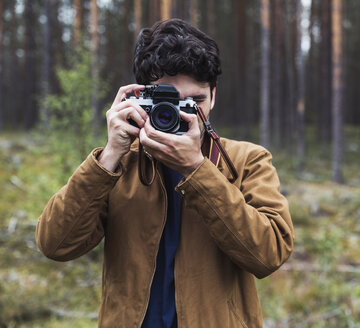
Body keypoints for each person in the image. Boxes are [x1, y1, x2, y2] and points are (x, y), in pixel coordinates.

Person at [36, 18, 294, 328]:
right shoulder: (120, 165)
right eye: (168, 101)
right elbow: (56, 244)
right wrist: (110, 154)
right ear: (139, 96)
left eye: (195, 101)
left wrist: (197, 170)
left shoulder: (246, 160)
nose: (183, 113)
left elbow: (269, 254)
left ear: (214, 95)